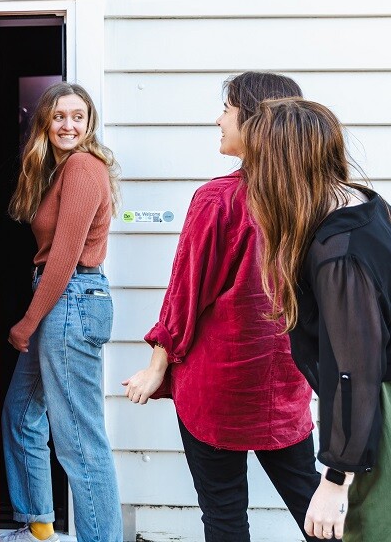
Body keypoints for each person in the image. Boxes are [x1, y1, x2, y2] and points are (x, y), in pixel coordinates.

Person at [122, 71, 321, 542]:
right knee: (317, 510)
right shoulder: (314, 199)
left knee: (224, 515)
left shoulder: (219, 199)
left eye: (227, 110)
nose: (219, 119)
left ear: (254, 121)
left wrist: (156, 365)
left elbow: (185, 295)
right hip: (285, 387)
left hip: (218, 390)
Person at [242, 97, 391, 541]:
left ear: (278, 167)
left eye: (255, 162)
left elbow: (355, 371)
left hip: (375, 417)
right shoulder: (365, 203)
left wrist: (335, 479)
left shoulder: (337, 251)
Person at [0, 82, 122, 542]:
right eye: (59, 117)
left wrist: (27, 323)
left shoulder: (84, 168)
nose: (68, 125)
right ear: (45, 123)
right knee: (20, 416)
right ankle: (39, 530)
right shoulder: (58, 171)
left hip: (72, 300)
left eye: (78, 117)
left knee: (80, 442)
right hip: (61, 300)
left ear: (89, 124)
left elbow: (65, 256)